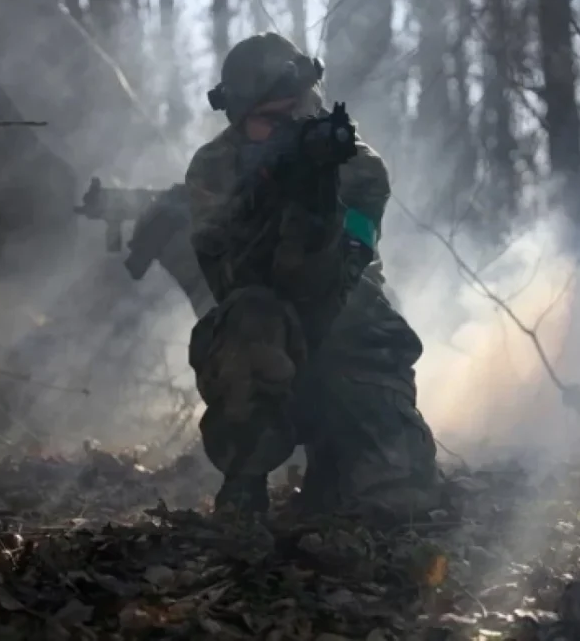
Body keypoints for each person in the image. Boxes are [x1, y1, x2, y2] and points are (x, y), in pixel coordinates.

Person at [184, 32, 440, 518]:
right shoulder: (213, 168)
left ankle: (334, 466)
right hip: (263, 333)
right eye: (273, 120)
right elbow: (228, 279)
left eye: (299, 108)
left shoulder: (357, 165)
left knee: (398, 499)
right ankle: (245, 481)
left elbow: (340, 278)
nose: (294, 126)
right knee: (249, 318)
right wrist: (270, 196)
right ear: (240, 123)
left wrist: (314, 201)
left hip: (349, 329)